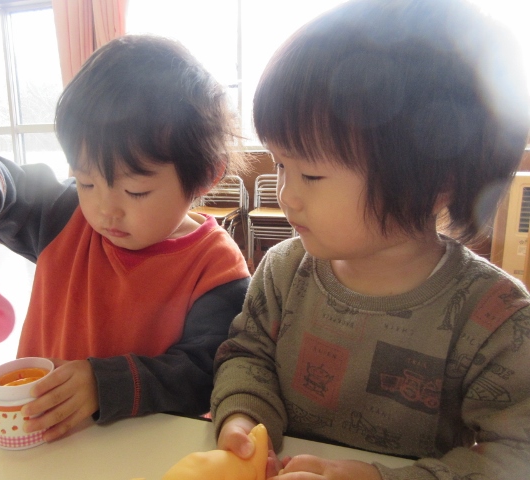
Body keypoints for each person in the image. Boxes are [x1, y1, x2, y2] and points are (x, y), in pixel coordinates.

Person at [210, 0, 530, 479]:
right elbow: (247, 356)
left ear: (436, 184)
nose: (286, 194)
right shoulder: (282, 272)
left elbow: (514, 454)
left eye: (312, 175)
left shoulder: (495, 319)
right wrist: (243, 419)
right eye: (280, 164)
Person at [0, 35, 251, 443]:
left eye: (136, 191)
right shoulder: (66, 217)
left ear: (207, 175)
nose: (105, 210)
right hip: (43, 438)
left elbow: (204, 372)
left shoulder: (216, 268)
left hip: (142, 451)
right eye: (86, 181)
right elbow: (9, 178)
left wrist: (104, 384)